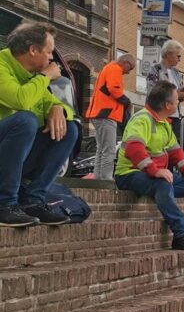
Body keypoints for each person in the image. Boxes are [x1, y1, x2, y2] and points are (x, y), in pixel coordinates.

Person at [114, 80, 184, 251]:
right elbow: (133, 148)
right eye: (177, 100)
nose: (178, 102)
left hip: (149, 174)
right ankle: (182, 235)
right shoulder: (142, 119)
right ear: (168, 105)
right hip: (129, 174)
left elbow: (176, 152)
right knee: (163, 184)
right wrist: (155, 171)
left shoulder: (164, 123)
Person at [0, 22, 78, 227]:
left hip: (12, 162)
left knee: (70, 129)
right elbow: (21, 100)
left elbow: (59, 106)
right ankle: (4, 204)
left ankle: (32, 202)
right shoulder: (1, 66)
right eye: (49, 51)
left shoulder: (31, 78)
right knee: (25, 120)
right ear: (33, 50)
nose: (52, 58)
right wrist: (46, 76)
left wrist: (58, 109)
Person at [86, 53, 136, 180]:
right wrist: (127, 101)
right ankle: (106, 179)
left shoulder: (108, 68)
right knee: (109, 150)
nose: (128, 72)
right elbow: (114, 89)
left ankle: (98, 177)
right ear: (125, 62)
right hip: (107, 114)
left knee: (101, 149)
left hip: (99, 114)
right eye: (130, 68)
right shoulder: (115, 69)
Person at [146, 40, 184, 141]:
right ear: (169, 54)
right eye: (178, 56)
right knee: (158, 145)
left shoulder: (177, 73)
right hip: (159, 117)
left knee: (173, 147)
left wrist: (182, 93)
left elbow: (176, 95)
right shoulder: (155, 69)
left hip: (175, 117)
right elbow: (152, 93)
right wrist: (176, 94)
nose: (179, 59)